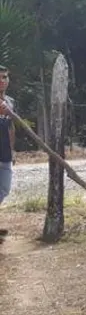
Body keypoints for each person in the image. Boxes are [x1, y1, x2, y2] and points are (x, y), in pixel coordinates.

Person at [0, 65, 15, 238]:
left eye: (5, 77)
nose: (2, 81)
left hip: (5, 154)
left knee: (4, 189)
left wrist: (13, 150)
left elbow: (11, 127)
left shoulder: (10, 102)